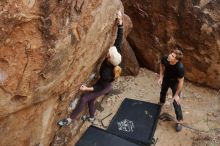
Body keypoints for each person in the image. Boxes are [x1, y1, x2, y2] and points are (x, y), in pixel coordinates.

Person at [58, 11, 123, 126]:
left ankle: (69, 119)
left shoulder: (106, 73)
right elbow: (119, 39)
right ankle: (92, 117)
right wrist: (120, 22)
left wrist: (86, 89)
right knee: (91, 100)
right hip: (103, 84)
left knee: (84, 99)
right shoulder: (117, 55)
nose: (109, 50)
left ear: (109, 57)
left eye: (109, 52)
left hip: (104, 87)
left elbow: (99, 86)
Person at [158, 48, 184, 132]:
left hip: (175, 83)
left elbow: (181, 82)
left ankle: (179, 120)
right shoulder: (165, 58)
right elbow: (161, 65)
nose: (170, 55)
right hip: (166, 78)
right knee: (163, 92)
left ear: (176, 60)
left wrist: (176, 95)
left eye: (172, 56)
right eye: (171, 54)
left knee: (176, 101)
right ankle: (161, 103)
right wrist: (161, 76)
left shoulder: (180, 67)